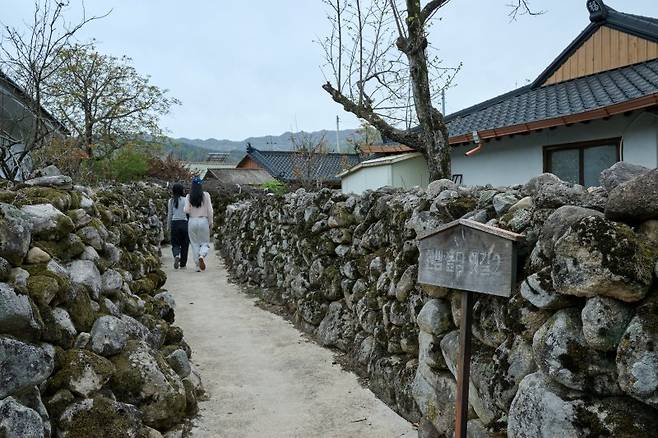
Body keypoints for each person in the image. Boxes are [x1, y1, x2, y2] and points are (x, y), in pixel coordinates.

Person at [184, 176, 213, 271]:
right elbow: (210, 210)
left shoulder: (189, 196)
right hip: (203, 220)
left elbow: (186, 210)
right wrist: (210, 222)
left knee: (194, 243)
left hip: (192, 221)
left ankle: (197, 266)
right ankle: (202, 255)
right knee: (205, 243)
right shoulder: (206, 195)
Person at [167, 183, 189, 269]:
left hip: (174, 223)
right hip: (184, 223)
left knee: (175, 243)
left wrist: (168, 227)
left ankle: (176, 255)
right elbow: (188, 212)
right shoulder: (186, 200)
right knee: (185, 244)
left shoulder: (171, 201)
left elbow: (170, 214)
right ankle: (183, 263)